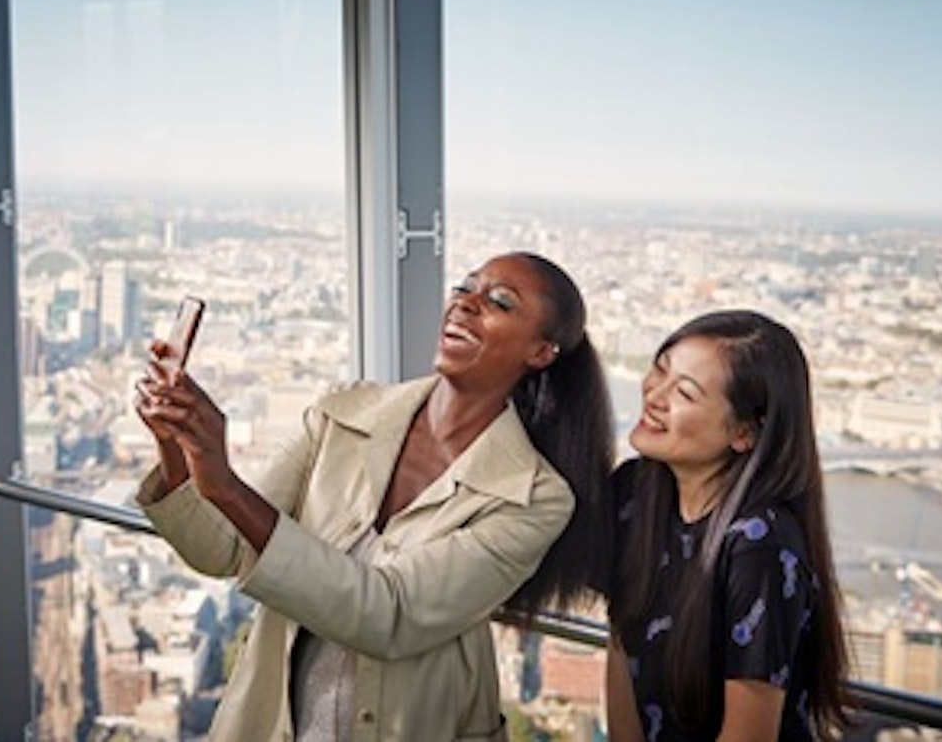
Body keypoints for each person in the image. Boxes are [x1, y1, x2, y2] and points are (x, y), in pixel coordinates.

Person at [133, 251, 614, 741]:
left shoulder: (534, 497)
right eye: (465, 288)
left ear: (540, 352)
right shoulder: (342, 414)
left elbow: (390, 617)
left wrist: (227, 486)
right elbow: (224, 551)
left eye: (500, 302)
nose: (465, 304)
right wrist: (177, 447)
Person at [606, 310, 850, 742]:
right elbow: (622, 643)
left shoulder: (760, 545)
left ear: (743, 432)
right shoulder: (632, 493)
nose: (654, 396)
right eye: (659, 370)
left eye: (684, 391)